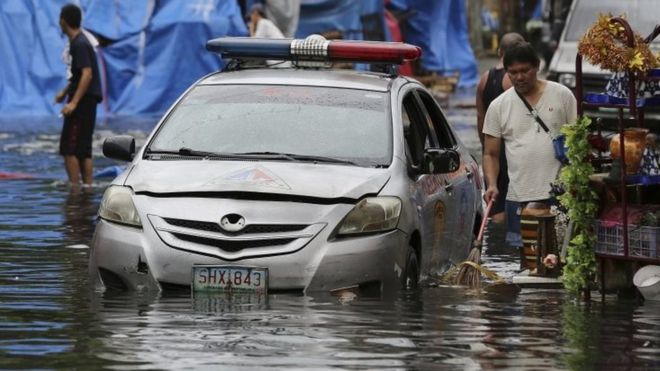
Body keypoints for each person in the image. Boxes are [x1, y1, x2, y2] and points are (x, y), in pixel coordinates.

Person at [482, 43, 577, 255]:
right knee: (529, 258)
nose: (519, 77)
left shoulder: (562, 95)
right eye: (513, 72)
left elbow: (578, 140)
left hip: (560, 193)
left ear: (537, 67)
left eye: (525, 71)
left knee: (563, 253)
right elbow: (490, 154)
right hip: (520, 194)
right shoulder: (498, 106)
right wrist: (492, 184)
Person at [476, 32, 525, 224]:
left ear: (499, 51)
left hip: (492, 149)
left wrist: (486, 149)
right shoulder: (514, 80)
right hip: (512, 151)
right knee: (514, 207)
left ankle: (497, 243)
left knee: (495, 204)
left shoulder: (484, 79)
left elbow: (481, 117)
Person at [54, 4, 102, 186]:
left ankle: (74, 189)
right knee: (83, 149)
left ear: (63, 21)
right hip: (88, 100)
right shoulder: (82, 42)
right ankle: (87, 188)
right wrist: (64, 92)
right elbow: (78, 75)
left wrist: (73, 102)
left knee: (69, 148)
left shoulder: (79, 44)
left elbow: (87, 74)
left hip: (82, 102)